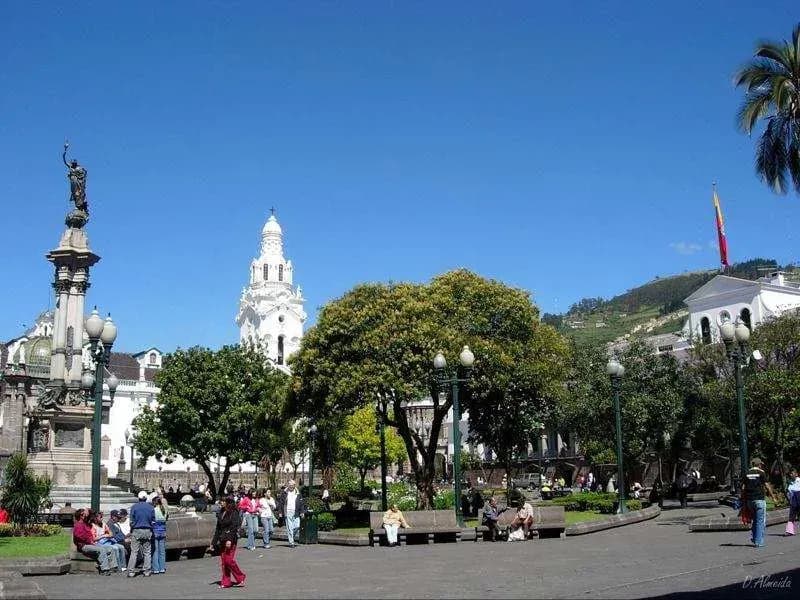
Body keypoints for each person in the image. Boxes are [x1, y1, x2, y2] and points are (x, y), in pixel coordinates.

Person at [72, 509, 117, 575]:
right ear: (80, 516)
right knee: (101, 549)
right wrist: (90, 541)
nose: (84, 516)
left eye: (84, 514)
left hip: (92, 543)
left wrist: (87, 510)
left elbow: (91, 514)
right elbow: (79, 536)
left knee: (109, 548)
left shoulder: (86, 523)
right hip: (84, 546)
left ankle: (113, 567)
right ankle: (104, 569)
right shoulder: (78, 525)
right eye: (83, 514)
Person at [215, 496, 246, 589]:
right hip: (222, 539)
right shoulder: (221, 512)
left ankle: (240, 577)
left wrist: (229, 539)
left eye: (223, 501)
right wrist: (213, 542)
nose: (221, 503)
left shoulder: (234, 512)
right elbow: (218, 528)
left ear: (228, 502)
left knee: (228, 560)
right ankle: (226, 581)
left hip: (230, 539)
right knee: (224, 562)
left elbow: (234, 527)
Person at [743, 458, 770, 548]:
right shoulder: (761, 472)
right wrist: (773, 496)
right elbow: (766, 485)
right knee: (760, 521)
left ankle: (754, 538)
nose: (761, 466)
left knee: (755, 520)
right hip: (759, 499)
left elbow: (743, 487)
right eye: (761, 464)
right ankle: (759, 542)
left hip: (750, 500)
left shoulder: (747, 473)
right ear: (759, 465)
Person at [127, 490, 155, 577]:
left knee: (134, 551)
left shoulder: (134, 507)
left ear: (138, 498)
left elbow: (131, 522)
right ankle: (147, 570)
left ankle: (131, 571)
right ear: (146, 498)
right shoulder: (151, 507)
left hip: (137, 530)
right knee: (147, 552)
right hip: (147, 530)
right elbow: (153, 521)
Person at [277, 480, 306, 548]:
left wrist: (302, 512)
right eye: (290, 485)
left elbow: (301, 503)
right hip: (288, 511)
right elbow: (281, 503)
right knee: (290, 527)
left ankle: (291, 536)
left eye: (292, 485)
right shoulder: (284, 493)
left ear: (294, 485)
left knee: (297, 526)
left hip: (296, 512)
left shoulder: (298, 493)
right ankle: (291, 542)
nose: (291, 486)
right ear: (288, 485)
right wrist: (280, 512)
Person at [151, 496, 168, 574]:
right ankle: (162, 567)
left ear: (154, 502)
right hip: (163, 531)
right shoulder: (164, 510)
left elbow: (151, 520)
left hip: (155, 531)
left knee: (155, 550)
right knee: (162, 551)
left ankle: (156, 568)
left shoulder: (153, 510)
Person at [786, 469, 800, 536]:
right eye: (790, 474)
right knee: (791, 515)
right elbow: (789, 491)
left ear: (796, 474)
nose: (791, 475)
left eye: (792, 473)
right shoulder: (790, 482)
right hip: (793, 500)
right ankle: (790, 531)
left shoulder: (799, 480)